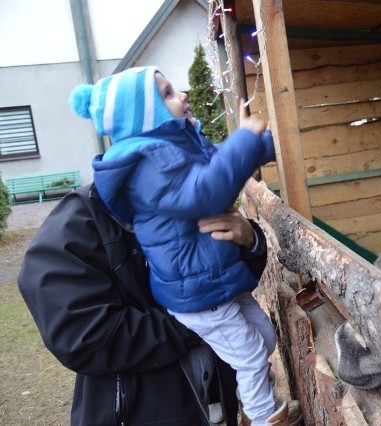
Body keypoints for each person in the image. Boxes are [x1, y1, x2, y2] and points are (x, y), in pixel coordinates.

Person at [66, 66, 301, 426]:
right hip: (197, 292)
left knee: (263, 337)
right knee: (252, 356)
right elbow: (206, 193)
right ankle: (264, 416)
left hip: (214, 278)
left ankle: (255, 402)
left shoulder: (174, 149)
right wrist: (245, 143)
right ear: (143, 117)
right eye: (167, 93)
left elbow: (220, 163)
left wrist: (264, 144)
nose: (183, 96)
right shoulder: (148, 165)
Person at [18, 182, 264, 425]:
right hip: (137, 412)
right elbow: (83, 336)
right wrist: (203, 324)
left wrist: (250, 242)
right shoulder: (81, 220)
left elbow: (232, 280)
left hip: (215, 392)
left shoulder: (188, 197)